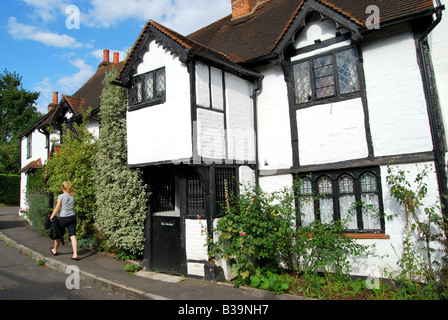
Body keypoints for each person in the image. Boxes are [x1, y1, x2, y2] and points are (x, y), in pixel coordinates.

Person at [49, 181, 78, 260]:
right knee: (72, 235)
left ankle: (54, 250)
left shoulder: (61, 196)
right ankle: (75, 254)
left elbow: (57, 208)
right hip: (72, 217)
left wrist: (51, 216)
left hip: (63, 218)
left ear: (62, 188)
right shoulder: (72, 197)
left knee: (58, 233)